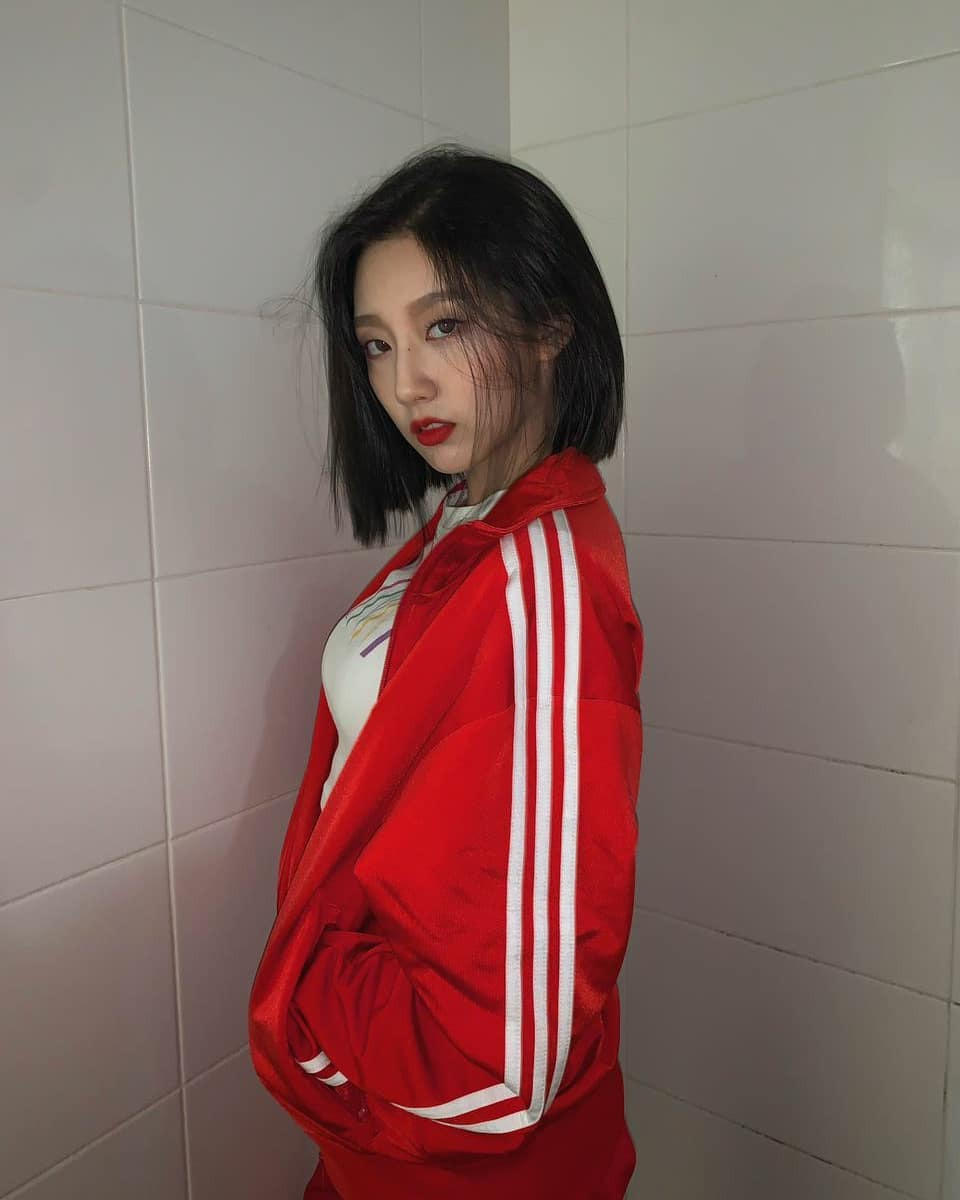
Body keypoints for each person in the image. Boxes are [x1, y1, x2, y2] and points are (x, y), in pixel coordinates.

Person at [248, 142, 644, 1200]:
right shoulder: (468, 521)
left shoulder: (540, 583)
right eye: (376, 344)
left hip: (463, 1167)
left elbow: (505, 1069)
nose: (403, 382)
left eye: (446, 326)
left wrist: (308, 987)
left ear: (551, 322)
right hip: (384, 1136)